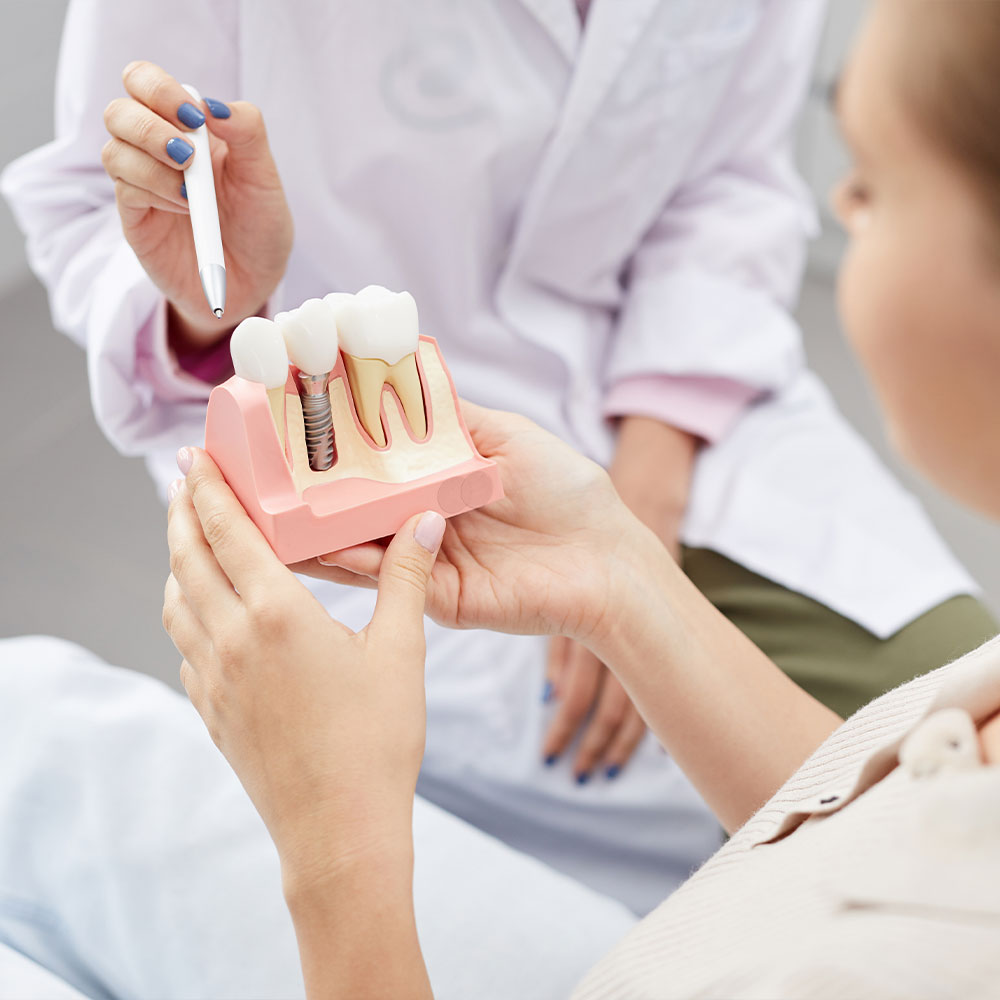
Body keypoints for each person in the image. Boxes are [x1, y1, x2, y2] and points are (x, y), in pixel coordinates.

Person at [2, 0, 995, 915]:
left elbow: (729, 178)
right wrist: (212, 297)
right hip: (358, 448)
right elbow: (99, 209)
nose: (843, 198)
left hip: (690, 410)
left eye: (869, 185)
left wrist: (646, 477)